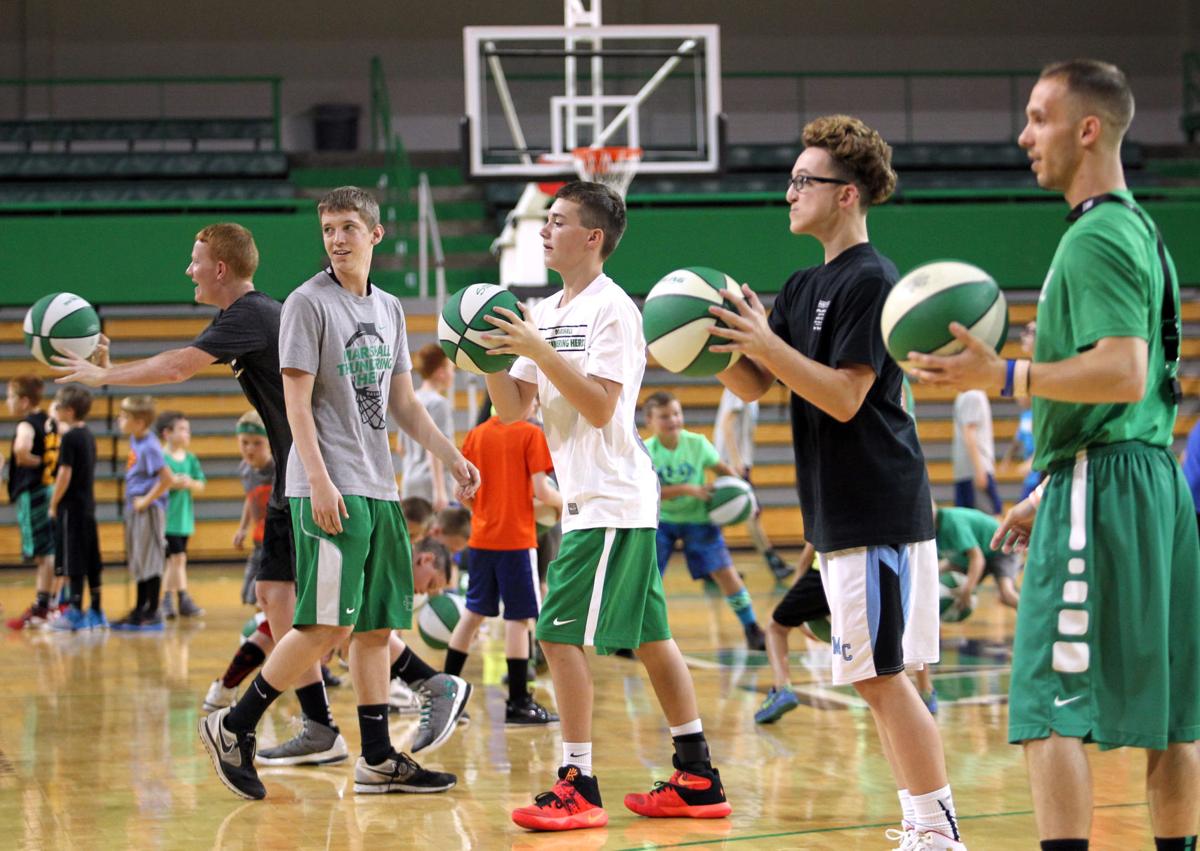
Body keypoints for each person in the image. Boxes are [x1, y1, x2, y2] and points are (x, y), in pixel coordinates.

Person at [909, 60, 1199, 850]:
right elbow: (1133, 388)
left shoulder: (1094, 236)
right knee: (1174, 715)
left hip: (1103, 479)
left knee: (1047, 704)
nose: (1024, 135)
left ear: (1088, 129)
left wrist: (1004, 375)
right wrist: (1047, 487)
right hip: (1151, 476)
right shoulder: (1140, 230)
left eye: (1040, 117)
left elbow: (1123, 369)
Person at [710, 115, 963, 849]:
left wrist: (765, 342)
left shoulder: (871, 279)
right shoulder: (803, 283)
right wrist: (709, 343)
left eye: (804, 181)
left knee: (882, 677)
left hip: (876, 503)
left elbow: (846, 396)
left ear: (847, 194)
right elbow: (757, 382)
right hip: (840, 509)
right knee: (879, 679)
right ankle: (924, 824)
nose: (789, 193)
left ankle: (938, 830)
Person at [198, 186, 479, 800]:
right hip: (327, 487)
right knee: (325, 626)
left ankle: (377, 759)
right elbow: (295, 403)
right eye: (328, 229)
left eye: (348, 227)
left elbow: (404, 404)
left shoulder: (391, 309)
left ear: (375, 234)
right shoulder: (306, 303)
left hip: (380, 487)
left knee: (375, 628)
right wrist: (319, 480)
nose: (337, 239)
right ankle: (235, 725)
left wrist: (452, 454)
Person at [54, 222, 350, 764]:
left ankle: (409, 684)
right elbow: (177, 360)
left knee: (339, 610)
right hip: (293, 473)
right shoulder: (241, 316)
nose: (188, 271)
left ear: (220, 268)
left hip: (318, 475)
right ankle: (320, 727)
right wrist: (112, 368)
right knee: (275, 596)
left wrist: (102, 378)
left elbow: (176, 368)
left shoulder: (252, 315)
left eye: (195, 262)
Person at [484, 181, 730, 831]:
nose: (544, 230)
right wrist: (484, 353)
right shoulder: (546, 310)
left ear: (592, 237)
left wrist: (535, 349)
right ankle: (697, 775)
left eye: (557, 220)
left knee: (557, 634)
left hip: (611, 497)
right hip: (595, 500)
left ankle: (578, 783)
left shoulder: (614, 310)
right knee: (651, 638)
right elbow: (514, 410)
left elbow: (599, 406)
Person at [442, 411, 561, 725]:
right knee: (519, 620)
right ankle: (519, 702)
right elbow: (542, 491)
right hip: (517, 540)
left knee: (472, 615)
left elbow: (461, 493)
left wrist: (485, 511)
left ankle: (446, 696)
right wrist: (565, 504)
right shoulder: (530, 433)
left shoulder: (476, 434)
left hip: (482, 538)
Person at [643, 391, 767, 651]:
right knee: (646, 578)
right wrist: (687, 489)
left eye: (676, 413)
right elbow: (646, 492)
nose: (673, 420)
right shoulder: (645, 451)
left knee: (725, 572)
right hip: (661, 521)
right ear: (649, 421)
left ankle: (751, 627)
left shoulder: (697, 444)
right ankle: (635, 632)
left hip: (699, 519)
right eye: (664, 416)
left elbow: (724, 470)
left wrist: (743, 493)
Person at [203, 410, 276, 712]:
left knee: (276, 612)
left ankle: (277, 663)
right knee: (263, 611)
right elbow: (250, 500)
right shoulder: (246, 470)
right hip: (259, 546)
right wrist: (243, 527)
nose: (249, 449)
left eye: (256, 443)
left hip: (279, 545)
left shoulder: (278, 467)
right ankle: (269, 662)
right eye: (244, 442)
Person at [712, 387, 794, 581]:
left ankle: (713, 565)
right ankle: (773, 562)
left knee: (729, 513)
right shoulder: (738, 388)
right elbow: (727, 424)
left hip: (734, 462)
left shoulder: (750, 390)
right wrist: (736, 461)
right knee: (751, 511)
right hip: (732, 463)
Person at [47, 386, 106, 631]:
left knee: (73, 559)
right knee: (91, 557)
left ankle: (74, 611)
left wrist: (53, 503)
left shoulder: (70, 438)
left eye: (58, 405)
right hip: (88, 506)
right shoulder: (88, 435)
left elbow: (65, 473)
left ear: (69, 411)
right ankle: (96, 610)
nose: (55, 409)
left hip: (71, 507)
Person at [5, 375, 60, 629]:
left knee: (42, 551)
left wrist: (37, 461)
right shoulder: (49, 421)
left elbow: (21, 451)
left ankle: (43, 605)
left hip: (32, 491)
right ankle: (46, 602)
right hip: (47, 489)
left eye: (11, 397)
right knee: (47, 549)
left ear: (25, 401)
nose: (7, 402)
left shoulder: (26, 425)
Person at [114, 395, 173, 631]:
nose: (119, 420)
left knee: (151, 558)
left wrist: (146, 500)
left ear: (139, 422)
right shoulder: (135, 439)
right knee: (138, 558)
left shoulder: (150, 445)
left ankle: (152, 610)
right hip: (135, 507)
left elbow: (167, 479)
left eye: (124, 416)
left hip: (149, 509)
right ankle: (139, 608)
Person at [754, 542, 820, 724]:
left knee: (775, 627)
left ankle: (782, 688)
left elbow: (809, 551)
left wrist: (794, 592)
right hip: (870, 570)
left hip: (824, 571)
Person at [156, 410, 206, 619]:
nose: (187, 434)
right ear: (167, 433)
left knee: (177, 560)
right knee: (177, 558)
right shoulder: (160, 458)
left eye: (188, 430)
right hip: (167, 519)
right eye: (182, 429)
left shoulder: (190, 459)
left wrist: (189, 483)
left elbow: (200, 484)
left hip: (184, 520)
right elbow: (155, 485)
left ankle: (173, 599)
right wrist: (171, 483)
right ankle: (176, 598)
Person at [399, 344, 457, 511]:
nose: (453, 374)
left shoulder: (411, 400)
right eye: (451, 369)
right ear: (440, 372)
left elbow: (401, 448)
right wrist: (439, 491)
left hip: (410, 480)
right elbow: (435, 448)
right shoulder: (439, 404)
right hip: (431, 484)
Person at [933, 502, 1021, 610]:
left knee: (1006, 594)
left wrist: (967, 589)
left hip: (1001, 548)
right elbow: (953, 560)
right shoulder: (935, 529)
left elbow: (977, 558)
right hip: (981, 552)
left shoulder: (952, 522)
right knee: (936, 574)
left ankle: (1033, 618)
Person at [999, 322, 1043, 502]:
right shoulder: (1026, 415)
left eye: (1031, 331)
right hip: (1035, 476)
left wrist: (1032, 462)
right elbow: (1018, 439)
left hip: (1045, 473)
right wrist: (1008, 458)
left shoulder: (1047, 382)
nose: (1023, 335)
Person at [952, 390, 1001, 515]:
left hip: (967, 471)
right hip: (975, 470)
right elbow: (969, 432)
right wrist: (979, 469)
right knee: (992, 517)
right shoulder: (973, 395)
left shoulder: (964, 395)